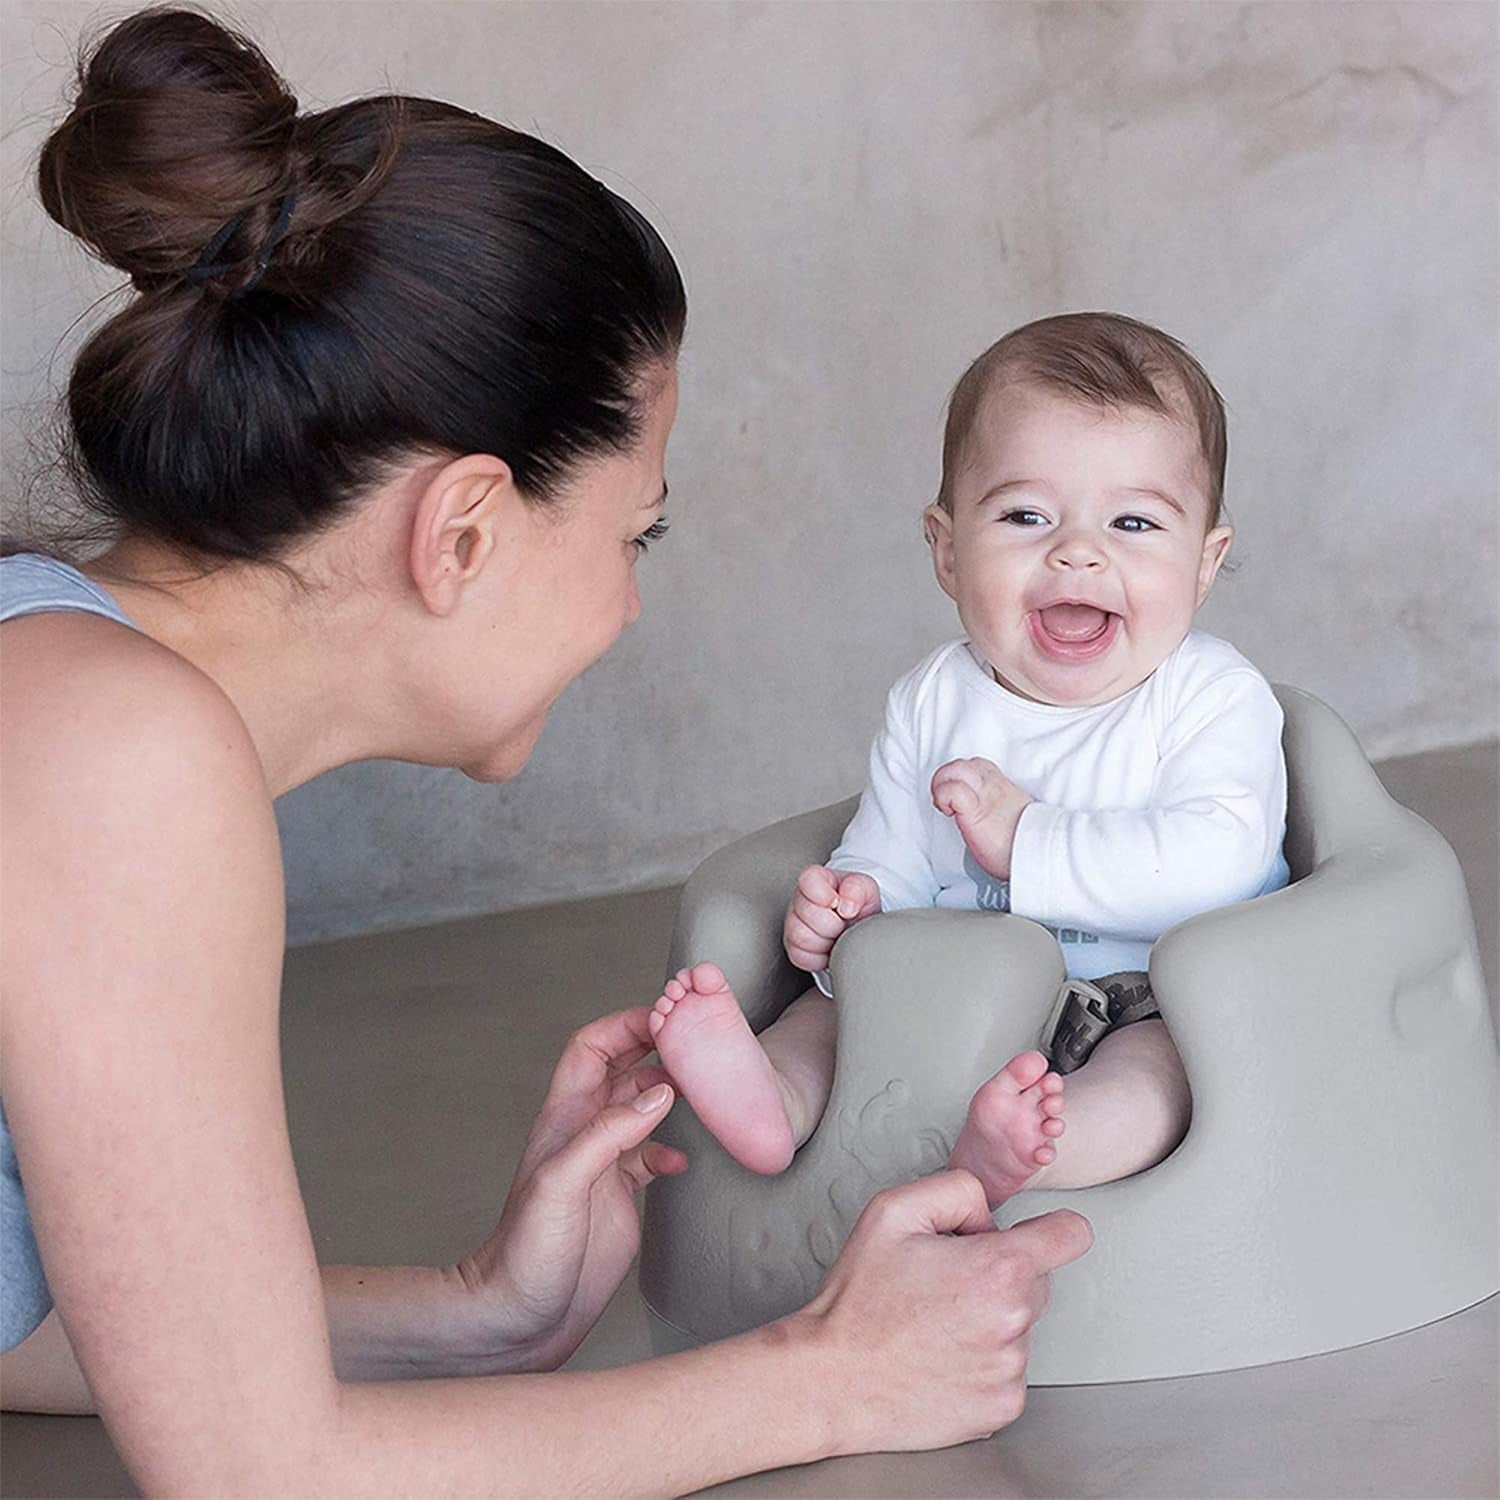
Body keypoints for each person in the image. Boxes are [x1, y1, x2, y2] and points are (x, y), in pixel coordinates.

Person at [0, 9, 1093, 1493]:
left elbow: (29, 1331)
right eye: (635, 531)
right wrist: (833, 1379)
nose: (632, 600)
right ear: (460, 531)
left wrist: (472, 1320)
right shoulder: (117, 759)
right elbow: (256, 1473)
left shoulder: (63, 696)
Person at [649, 313, 1290, 1205]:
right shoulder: (934, 698)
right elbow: (892, 848)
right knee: (829, 1017)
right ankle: (772, 1102)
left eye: (1135, 522)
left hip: (1141, 990)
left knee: (1161, 1080)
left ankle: (1041, 1154)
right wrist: (851, 910)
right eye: (1026, 515)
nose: (1078, 550)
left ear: (1205, 562)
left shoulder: (1213, 697)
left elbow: (1219, 861)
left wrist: (1027, 840)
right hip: (956, 987)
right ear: (948, 550)